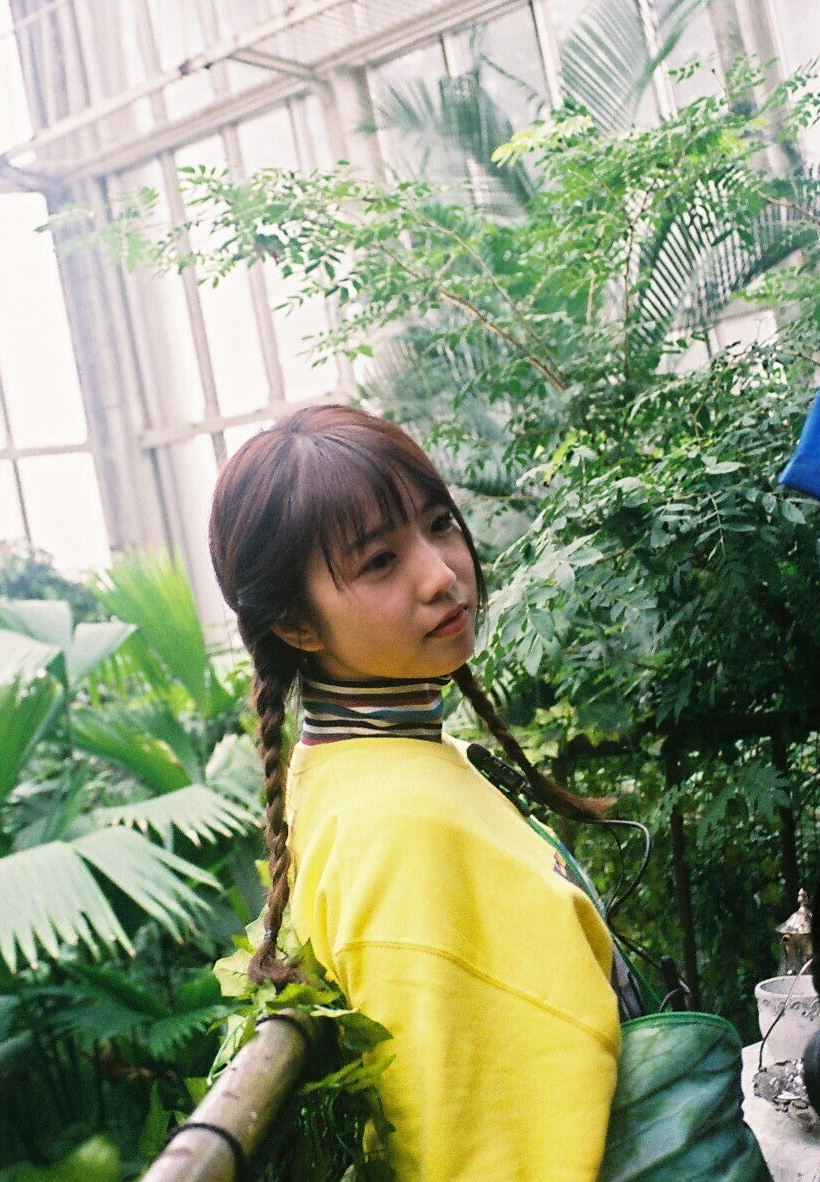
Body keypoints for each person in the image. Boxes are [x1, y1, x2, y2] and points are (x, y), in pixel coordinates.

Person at [208, 404, 622, 1182]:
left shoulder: (373, 765)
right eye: (379, 562)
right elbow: (475, 1152)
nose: (441, 575)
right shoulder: (398, 828)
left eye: (438, 524)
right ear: (296, 625)